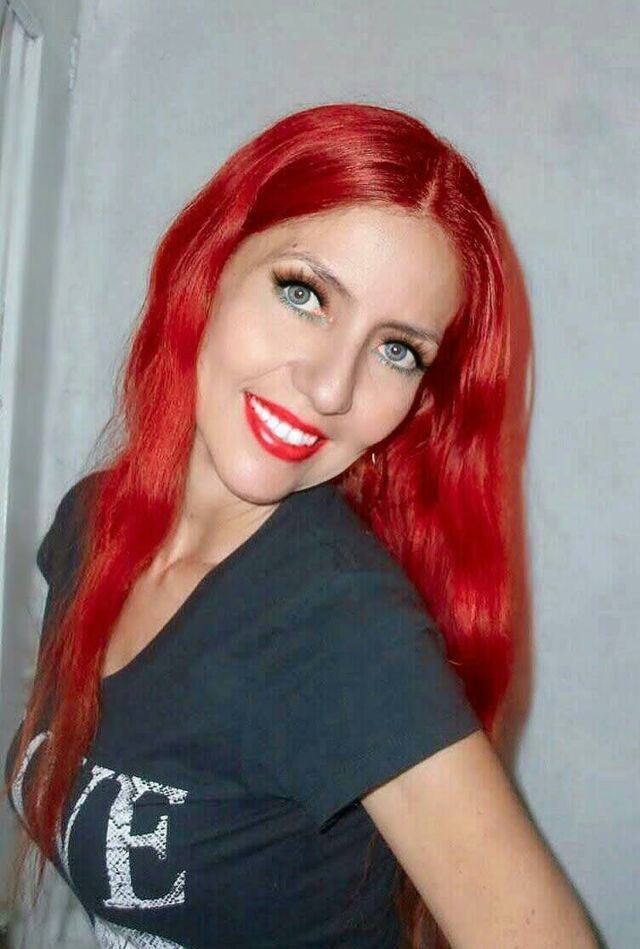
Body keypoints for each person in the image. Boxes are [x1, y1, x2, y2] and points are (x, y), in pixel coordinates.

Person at [3, 102, 599, 949]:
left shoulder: (339, 622)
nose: (330, 387)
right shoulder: (89, 525)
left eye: (397, 349)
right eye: (304, 294)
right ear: (210, 265)